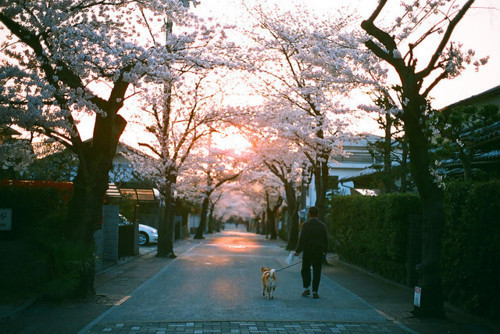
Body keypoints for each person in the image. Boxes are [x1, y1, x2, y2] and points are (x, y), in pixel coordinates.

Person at [294, 206, 328, 299]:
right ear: (317, 214)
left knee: (305, 269)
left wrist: (298, 251)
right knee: (317, 271)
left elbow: (302, 239)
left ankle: (306, 288)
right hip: (318, 251)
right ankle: (315, 291)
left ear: (309, 214)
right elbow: (325, 240)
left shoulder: (306, 225)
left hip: (308, 251)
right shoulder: (322, 226)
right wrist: (325, 251)